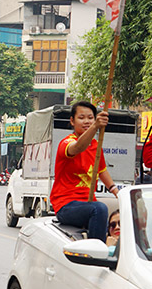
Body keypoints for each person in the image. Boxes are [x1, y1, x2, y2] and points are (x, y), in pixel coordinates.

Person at [49, 101, 119, 242]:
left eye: (90, 118)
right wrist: (95, 126)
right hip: (66, 205)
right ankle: (95, 253)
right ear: (72, 121)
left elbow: (102, 170)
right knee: (100, 208)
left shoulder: (95, 145)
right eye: (81, 118)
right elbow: (78, 148)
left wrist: (117, 193)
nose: (86, 121)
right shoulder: (66, 143)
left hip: (87, 203)